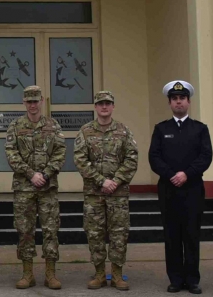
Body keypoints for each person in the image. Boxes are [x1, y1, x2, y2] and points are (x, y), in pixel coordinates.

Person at [148, 81, 212, 294]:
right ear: (169, 103)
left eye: (182, 98)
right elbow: (154, 157)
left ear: (188, 102)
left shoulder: (200, 129)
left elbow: (206, 157)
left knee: (192, 236)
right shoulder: (161, 129)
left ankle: (192, 280)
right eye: (174, 99)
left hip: (192, 189)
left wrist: (186, 174)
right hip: (169, 190)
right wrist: (171, 175)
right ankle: (175, 279)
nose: (178, 102)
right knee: (172, 236)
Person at [74, 91, 138, 291]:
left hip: (118, 194)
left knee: (119, 234)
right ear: (95, 107)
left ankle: (117, 275)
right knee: (95, 233)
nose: (104, 107)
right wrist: (102, 181)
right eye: (100, 103)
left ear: (113, 106)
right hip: (94, 193)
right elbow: (80, 160)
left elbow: (132, 158)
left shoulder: (123, 131)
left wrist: (115, 181)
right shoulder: (85, 131)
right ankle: (100, 274)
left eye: (108, 103)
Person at [5, 85, 66, 290]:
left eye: (35, 101)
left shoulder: (53, 125)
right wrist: (31, 174)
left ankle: (50, 274)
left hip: (48, 188)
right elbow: (11, 154)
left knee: (51, 230)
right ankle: (27, 273)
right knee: (25, 230)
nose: (32, 105)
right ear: (24, 102)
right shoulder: (15, 126)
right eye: (28, 101)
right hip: (24, 188)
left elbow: (60, 152)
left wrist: (45, 174)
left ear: (41, 101)